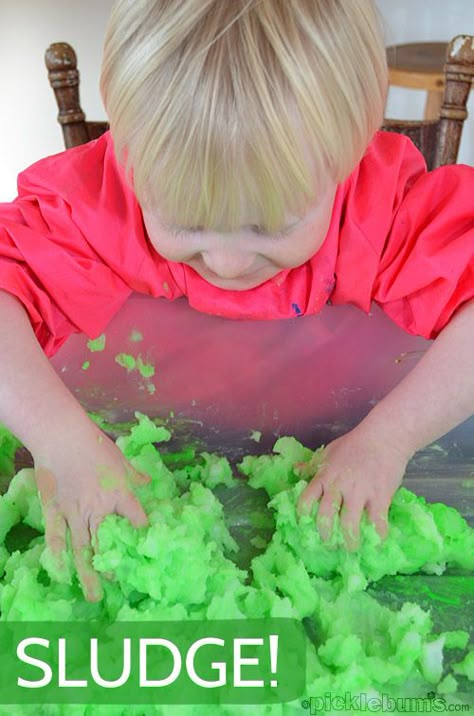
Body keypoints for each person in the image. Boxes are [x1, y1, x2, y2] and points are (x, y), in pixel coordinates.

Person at [0, 0, 473, 602]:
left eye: (269, 227)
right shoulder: (96, 207)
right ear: (129, 158)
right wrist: (61, 441)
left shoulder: (383, 211)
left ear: (347, 155)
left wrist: (390, 439)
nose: (226, 263)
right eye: (184, 222)